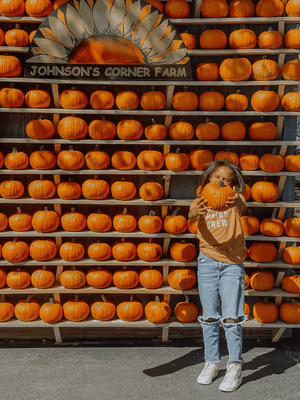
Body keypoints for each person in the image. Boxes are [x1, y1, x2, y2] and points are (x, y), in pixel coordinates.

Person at [188, 159, 247, 392]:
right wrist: (192, 213)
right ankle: (212, 362)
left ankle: (235, 366)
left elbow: (242, 206)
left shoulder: (235, 198)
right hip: (207, 261)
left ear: (234, 184)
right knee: (210, 316)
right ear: (208, 179)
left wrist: (237, 200)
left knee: (231, 317)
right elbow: (192, 216)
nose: (222, 181)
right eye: (217, 177)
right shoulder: (200, 200)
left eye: (228, 179)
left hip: (232, 263)